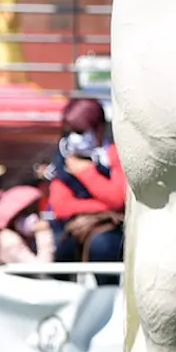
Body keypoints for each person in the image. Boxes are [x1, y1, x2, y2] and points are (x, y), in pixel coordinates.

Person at [46, 96, 126, 268]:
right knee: (62, 251)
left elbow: (119, 198)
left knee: (104, 247)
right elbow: (60, 206)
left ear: (99, 128)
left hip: (112, 229)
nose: (74, 137)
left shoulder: (114, 155)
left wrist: (85, 172)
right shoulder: (64, 159)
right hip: (74, 230)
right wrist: (105, 205)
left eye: (80, 131)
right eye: (69, 131)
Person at [0, 184, 55, 266]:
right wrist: (43, 233)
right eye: (27, 212)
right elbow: (41, 269)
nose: (33, 217)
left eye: (34, 211)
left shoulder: (7, 236)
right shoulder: (8, 239)